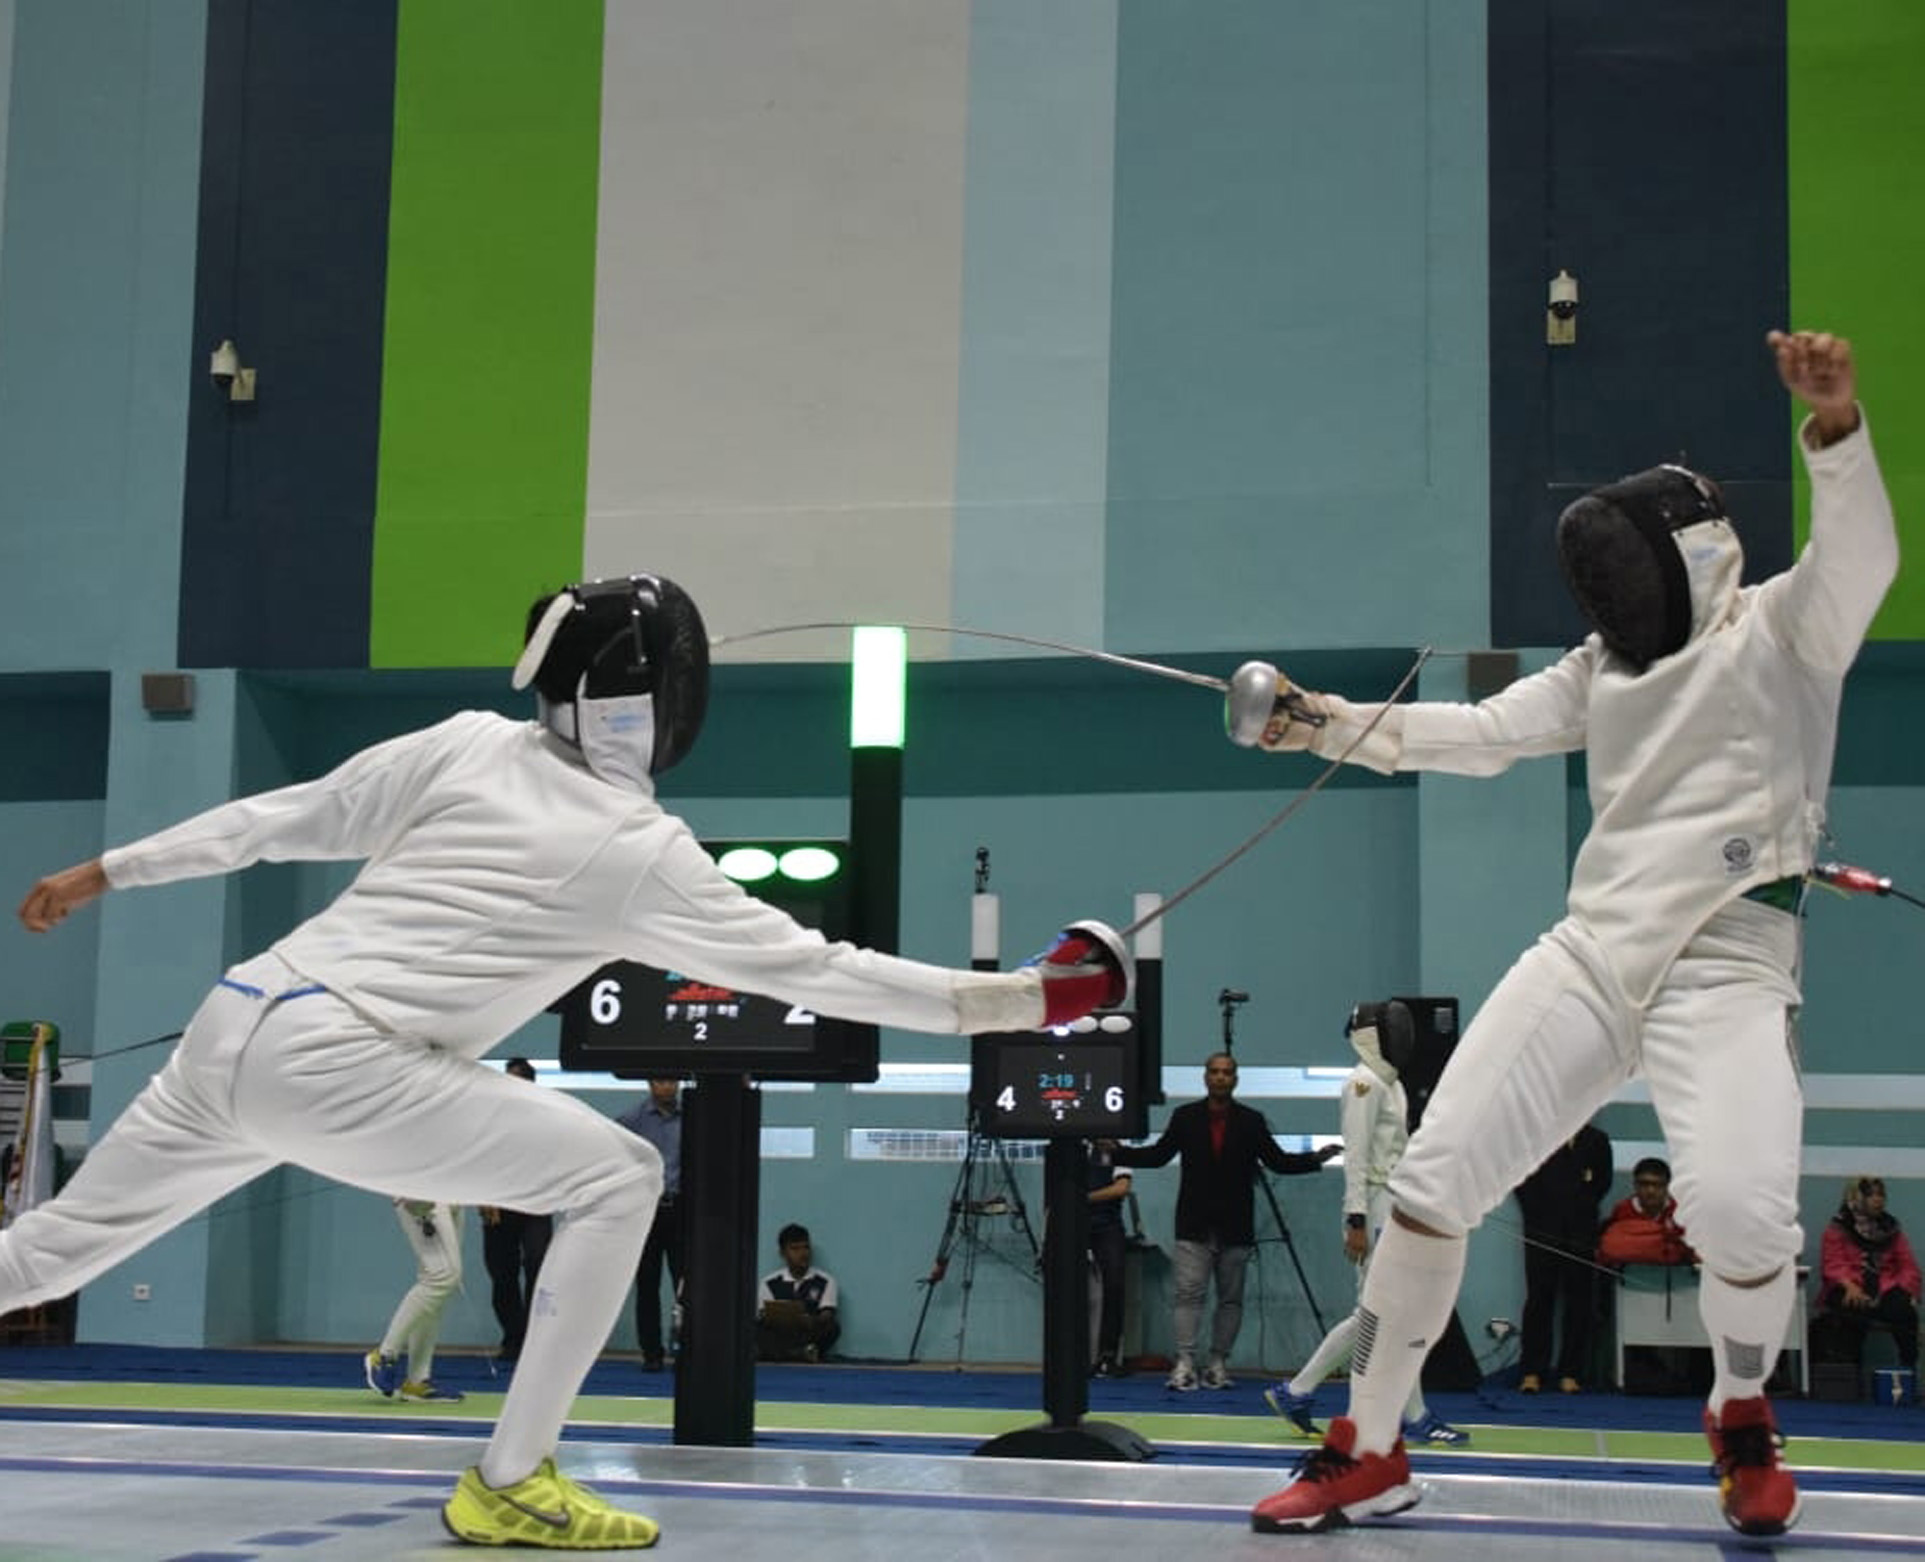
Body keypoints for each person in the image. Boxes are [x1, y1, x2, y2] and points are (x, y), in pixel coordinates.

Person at [9, 573, 1130, 1552]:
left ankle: (511, 1476)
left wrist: (111, 866)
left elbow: (288, 816)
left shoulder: (464, 740)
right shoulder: (637, 851)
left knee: (50, 1256)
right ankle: (508, 1481)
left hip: (239, 1013)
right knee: (616, 1176)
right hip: (344, 1059)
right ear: (661, 706)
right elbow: (824, 974)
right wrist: (1032, 995)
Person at [1235, 331, 1896, 1538]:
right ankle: (1368, 1443)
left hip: (1730, 963)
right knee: (1431, 1183)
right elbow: (1476, 732)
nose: (1604, 607)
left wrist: (1835, 432)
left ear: (1684, 563)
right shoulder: (1604, 668)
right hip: (1594, 952)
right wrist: (1320, 722)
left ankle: (1739, 1412)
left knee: (1745, 1220)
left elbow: (1862, 558)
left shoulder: (1782, 632)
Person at [1263, 1003, 1466, 1443]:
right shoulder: (1362, 1084)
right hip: (1371, 1207)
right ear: (1372, 1035)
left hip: (1394, 1205)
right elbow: (1355, 1159)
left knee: (1398, 1314)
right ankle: (1304, 1391)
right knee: (1376, 1314)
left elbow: (1401, 1152)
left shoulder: (1390, 1085)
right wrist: (1355, 1219)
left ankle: (1311, 1393)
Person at [1113, 1051, 1340, 1390]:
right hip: (1193, 1221)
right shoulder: (1185, 1117)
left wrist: (1315, 1159)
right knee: (1188, 1295)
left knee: (1230, 1298)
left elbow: (1277, 1161)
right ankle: (1186, 1362)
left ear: (1235, 1078)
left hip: (1236, 1224)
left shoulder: (1251, 1121)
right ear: (1206, 1077)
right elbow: (1158, 1156)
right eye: (1215, 1072)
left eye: (1227, 1072)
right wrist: (1116, 1152)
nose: (1220, 1077)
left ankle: (1218, 1362)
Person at [1512, 1122, 1612, 1394]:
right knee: (1538, 1302)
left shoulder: (1597, 1139)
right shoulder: (1538, 1135)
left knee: (1579, 1303)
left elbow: (1602, 1182)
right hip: (1541, 1231)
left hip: (1581, 1233)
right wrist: (1539, 1216)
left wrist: (1579, 1210)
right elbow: (1521, 1181)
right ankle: (1532, 1371)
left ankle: (1570, 1372)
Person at [478, 1057, 553, 1367]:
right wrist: (484, 1197)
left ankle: (537, 1341)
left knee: (538, 1265)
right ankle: (513, 1339)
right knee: (502, 1276)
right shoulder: (490, 1119)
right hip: (499, 1205)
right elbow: (478, 1158)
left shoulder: (548, 1117)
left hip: (535, 1204)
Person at [1811, 1176, 1919, 1387]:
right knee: (1850, 1308)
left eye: (1881, 1195)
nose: (1878, 1200)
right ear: (1855, 1198)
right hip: (1850, 1287)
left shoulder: (1891, 1229)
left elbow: (1908, 1266)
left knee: (1905, 1312)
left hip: (1885, 1287)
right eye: (1871, 1195)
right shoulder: (1837, 1228)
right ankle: (1852, 1379)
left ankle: (1908, 1373)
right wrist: (1849, 1285)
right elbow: (1831, 1264)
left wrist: (1906, 1290)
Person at [365, 1197, 466, 1402]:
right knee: (442, 1276)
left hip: (455, 1190)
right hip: (424, 1191)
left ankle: (417, 1381)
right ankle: (384, 1355)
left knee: (438, 1283)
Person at [615, 1079, 683, 1370]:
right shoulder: (631, 1121)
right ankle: (651, 1353)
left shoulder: (694, 1118)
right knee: (647, 1283)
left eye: (671, 1081)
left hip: (681, 1208)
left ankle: (687, 1349)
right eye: (660, 1081)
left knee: (686, 1284)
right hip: (647, 1209)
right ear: (649, 1084)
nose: (666, 1088)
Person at [755, 1222, 841, 1362]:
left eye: (806, 1248)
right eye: (795, 1249)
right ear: (783, 1253)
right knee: (753, 1328)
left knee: (833, 1327)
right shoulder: (769, 1283)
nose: (803, 1254)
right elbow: (764, 1316)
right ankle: (799, 1354)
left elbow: (827, 1314)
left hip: (809, 1333)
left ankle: (785, 1354)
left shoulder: (825, 1281)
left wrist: (811, 1320)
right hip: (781, 1334)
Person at [1086, 1137, 1133, 1377]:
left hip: (1107, 1226)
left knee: (1114, 1286)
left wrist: (1084, 1198)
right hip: (1072, 1224)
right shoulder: (1071, 1147)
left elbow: (1122, 1188)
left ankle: (1108, 1356)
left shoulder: (1117, 1147)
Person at [1597, 1156, 1696, 1269]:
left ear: (1668, 1186)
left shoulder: (1680, 1212)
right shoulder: (1623, 1210)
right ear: (1635, 1185)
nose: (1651, 1191)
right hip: (1628, 1278)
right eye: (1644, 1184)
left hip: (1676, 1278)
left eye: (1658, 1185)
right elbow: (1611, 1250)